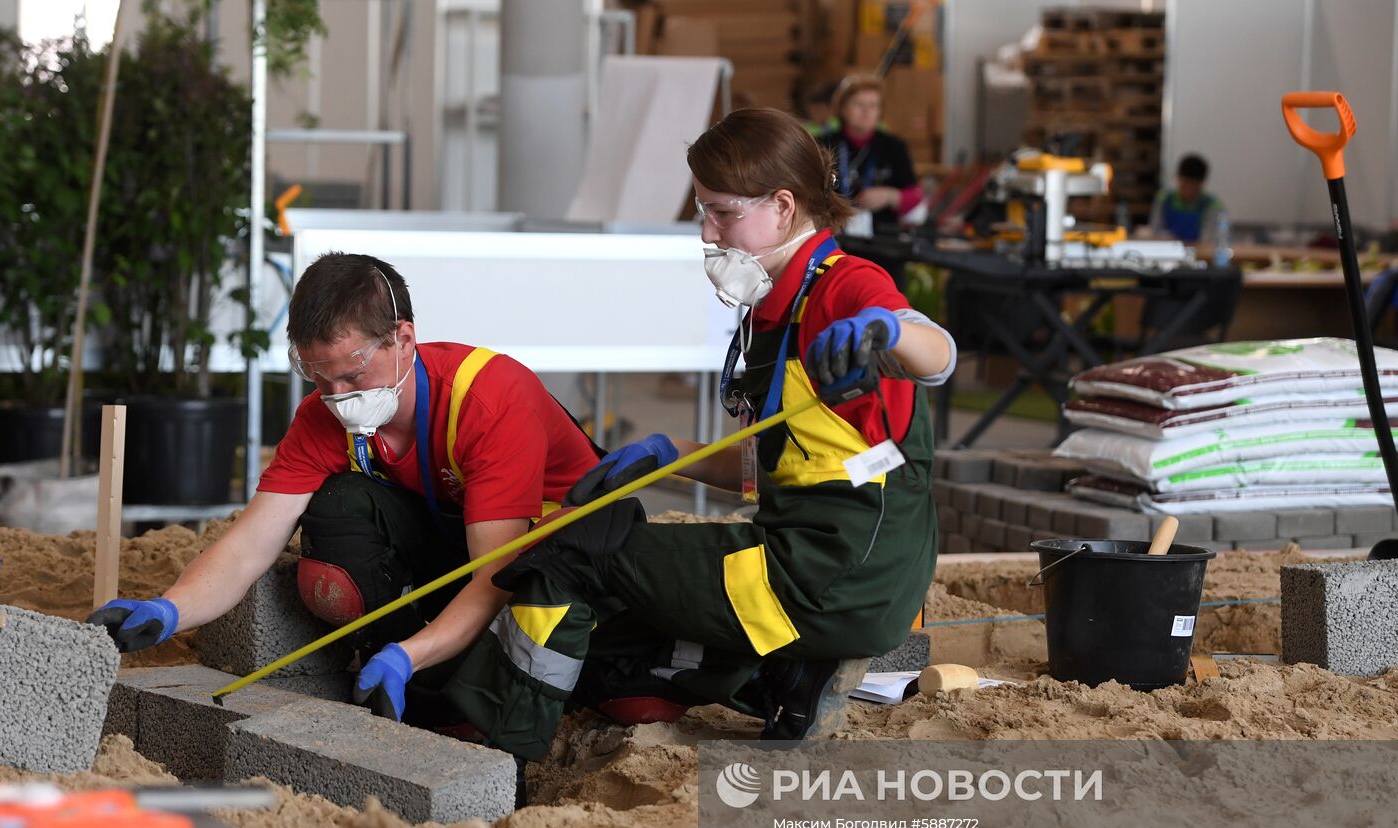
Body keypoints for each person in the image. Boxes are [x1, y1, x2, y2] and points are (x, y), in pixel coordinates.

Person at [432, 107, 956, 763]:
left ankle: (495, 741)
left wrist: (888, 332)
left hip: (827, 573)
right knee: (620, 643)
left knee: (575, 550)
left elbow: (937, 354)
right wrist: (669, 456)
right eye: (703, 213)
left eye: (723, 213)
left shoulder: (846, 287)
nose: (708, 233)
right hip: (833, 564)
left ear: (785, 206)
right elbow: (790, 464)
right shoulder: (776, 304)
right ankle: (785, 678)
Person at [87, 253, 600, 743]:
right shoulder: (325, 415)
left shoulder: (488, 399)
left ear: (403, 339)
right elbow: (249, 546)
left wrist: (410, 655)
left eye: (353, 376)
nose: (337, 397)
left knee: (531, 613)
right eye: (319, 377)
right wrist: (169, 610)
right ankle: (394, 677)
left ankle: (443, 682)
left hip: (562, 564)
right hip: (460, 538)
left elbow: (495, 575)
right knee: (341, 505)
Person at [817, 74, 924, 231]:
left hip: (882, 237)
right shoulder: (822, 145)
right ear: (843, 108)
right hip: (832, 232)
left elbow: (915, 195)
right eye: (859, 104)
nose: (867, 112)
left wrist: (890, 196)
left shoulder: (894, 146)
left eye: (873, 105)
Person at [1148, 154, 1225, 244]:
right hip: (1169, 250)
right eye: (1185, 184)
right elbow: (1155, 231)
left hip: (1200, 253)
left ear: (1202, 183)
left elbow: (1209, 239)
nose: (1189, 190)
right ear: (1178, 178)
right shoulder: (1164, 199)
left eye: (1194, 186)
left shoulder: (1212, 205)